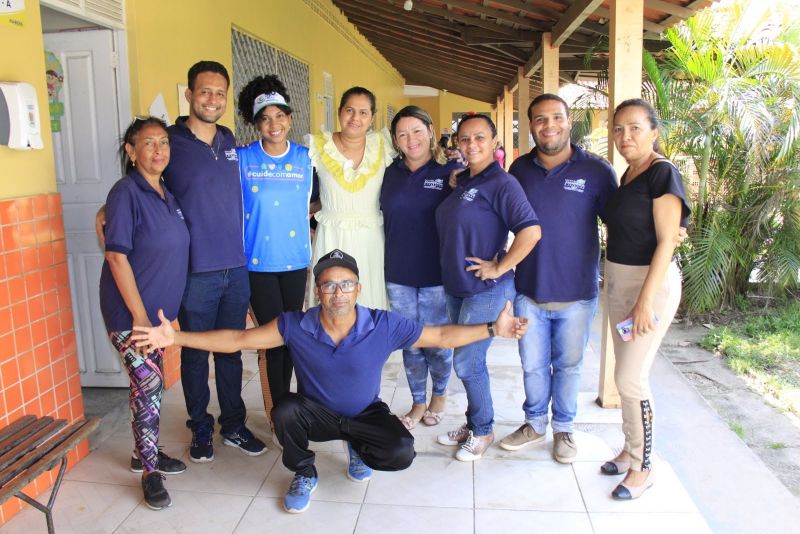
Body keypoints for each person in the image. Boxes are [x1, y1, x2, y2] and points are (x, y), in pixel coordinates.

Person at [132, 249, 529, 514]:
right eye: (328, 285)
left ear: (358, 288)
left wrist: (493, 327)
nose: (337, 292)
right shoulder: (295, 325)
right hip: (316, 414)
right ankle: (304, 470)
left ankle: (358, 447)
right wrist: (177, 337)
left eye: (345, 284)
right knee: (284, 410)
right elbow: (238, 339)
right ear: (317, 291)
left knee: (401, 451)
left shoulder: (383, 324)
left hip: (363, 412)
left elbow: (441, 336)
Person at [500, 94, 617, 464]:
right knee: (532, 365)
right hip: (529, 292)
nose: (548, 125)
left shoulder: (597, 172)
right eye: (539, 119)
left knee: (568, 367)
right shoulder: (518, 170)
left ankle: (563, 429)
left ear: (569, 122)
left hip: (578, 294)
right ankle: (534, 424)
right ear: (531, 125)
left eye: (556, 118)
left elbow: (622, 224)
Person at [435, 114, 541, 462]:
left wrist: (500, 265)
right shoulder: (466, 179)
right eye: (464, 139)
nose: (472, 145)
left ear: (495, 141)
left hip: (486, 288)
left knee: (467, 361)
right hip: (456, 285)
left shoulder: (502, 183)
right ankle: (473, 422)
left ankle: (482, 430)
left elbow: (530, 232)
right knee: (467, 359)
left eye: (480, 138)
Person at [600, 99, 690, 500]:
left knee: (630, 379)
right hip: (619, 279)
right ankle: (628, 448)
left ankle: (644, 465)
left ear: (654, 131)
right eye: (618, 129)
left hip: (648, 286)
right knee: (625, 372)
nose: (625, 137)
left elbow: (668, 239)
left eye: (635, 128)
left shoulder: (662, 174)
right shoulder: (628, 176)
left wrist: (644, 302)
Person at [99, 117, 189, 510]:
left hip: (159, 319)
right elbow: (116, 255)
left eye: (164, 142)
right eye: (148, 143)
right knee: (148, 390)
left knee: (148, 390)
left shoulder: (165, 192)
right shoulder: (126, 192)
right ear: (131, 152)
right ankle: (150, 473)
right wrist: (139, 316)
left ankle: (143, 453)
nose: (158, 150)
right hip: (132, 317)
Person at [236, 75, 317, 403]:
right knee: (272, 340)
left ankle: (293, 409)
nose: (274, 124)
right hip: (258, 262)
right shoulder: (242, 159)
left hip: (296, 260)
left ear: (290, 119)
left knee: (293, 338)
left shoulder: (306, 158)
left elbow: (321, 199)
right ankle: (278, 411)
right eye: (266, 118)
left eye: (280, 116)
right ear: (257, 124)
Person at [380, 105, 462, 429]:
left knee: (437, 343)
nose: (410, 139)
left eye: (417, 131)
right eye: (402, 134)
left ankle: (439, 395)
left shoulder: (451, 174)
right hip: (397, 274)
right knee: (409, 342)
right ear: (395, 140)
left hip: (436, 276)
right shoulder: (388, 174)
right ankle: (417, 401)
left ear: (430, 131)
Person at [305, 87, 395, 310]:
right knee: (330, 298)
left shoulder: (383, 146)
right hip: (331, 235)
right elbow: (303, 191)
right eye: (350, 110)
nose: (356, 118)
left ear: (372, 117)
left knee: (370, 299)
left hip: (371, 237)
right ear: (339, 112)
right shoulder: (318, 146)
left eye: (363, 112)